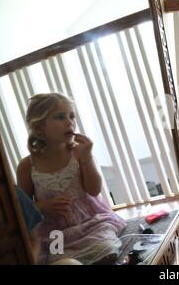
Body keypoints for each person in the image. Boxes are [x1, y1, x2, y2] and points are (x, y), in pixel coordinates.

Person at [17, 93, 126, 265]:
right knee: (59, 259)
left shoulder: (78, 153)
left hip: (91, 222)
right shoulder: (27, 166)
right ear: (39, 128)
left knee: (104, 248)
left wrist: (87, 158)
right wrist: (43, 206)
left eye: (72, 116)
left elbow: (94, 190)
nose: (70, 122)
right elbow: (23, 209)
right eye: (60, 117)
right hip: (55, 232)